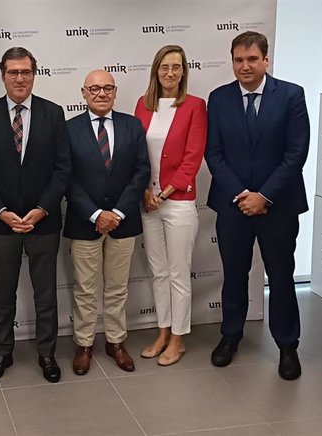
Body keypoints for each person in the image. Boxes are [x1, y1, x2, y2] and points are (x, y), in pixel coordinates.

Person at [205, 31, 310, 380]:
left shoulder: (291, 95)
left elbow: (296, 153)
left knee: (280, 277)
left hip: (278, 206)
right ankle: (230, 336)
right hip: (233, 205)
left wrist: (263, 196)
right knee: (234, 275)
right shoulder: (218, 99)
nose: (245, 66)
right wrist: (242, 195)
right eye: (238, 60)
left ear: (266, 60)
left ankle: (287, 346)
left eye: (252, 59)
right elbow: (214, 154)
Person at [0, 47, 71, 383]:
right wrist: (2, 213)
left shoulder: (53, 113)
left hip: (44, 222)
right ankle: (2, 352)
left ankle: (47, 354)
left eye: (25, 72)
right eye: (13, 72)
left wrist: (42, 209)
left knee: (45, 293)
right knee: (3, 294)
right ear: (3, 75)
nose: (19, 78)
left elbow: (62, 169)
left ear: (34, 74)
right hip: (2, 225)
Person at [64, 70, 150, 375]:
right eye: (95, 89)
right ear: (84, 93)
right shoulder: (69, 129)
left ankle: (115, 342)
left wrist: (118, 213)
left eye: (108, 89)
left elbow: (141, 172)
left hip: (123, 222)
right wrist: (95, 214)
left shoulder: (132, 125)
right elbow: (67, 178)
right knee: (85, 289)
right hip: (84, 221)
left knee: (117, 288)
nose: (101, 94)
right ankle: (84, 344)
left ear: (115, 92)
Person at [133, 45, 207, 366]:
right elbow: (136, 154)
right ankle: (163, 332)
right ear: (156, 70)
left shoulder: (194, 106)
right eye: (164, 67)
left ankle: (178, 338)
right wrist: (144, 192)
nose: (170, 73)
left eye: (176, 67)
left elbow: (193, 159)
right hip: (147, 203)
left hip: (177, 203)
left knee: (178, 274)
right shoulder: (143, 105)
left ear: (184, 72)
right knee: (159, 273)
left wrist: (163, 193)